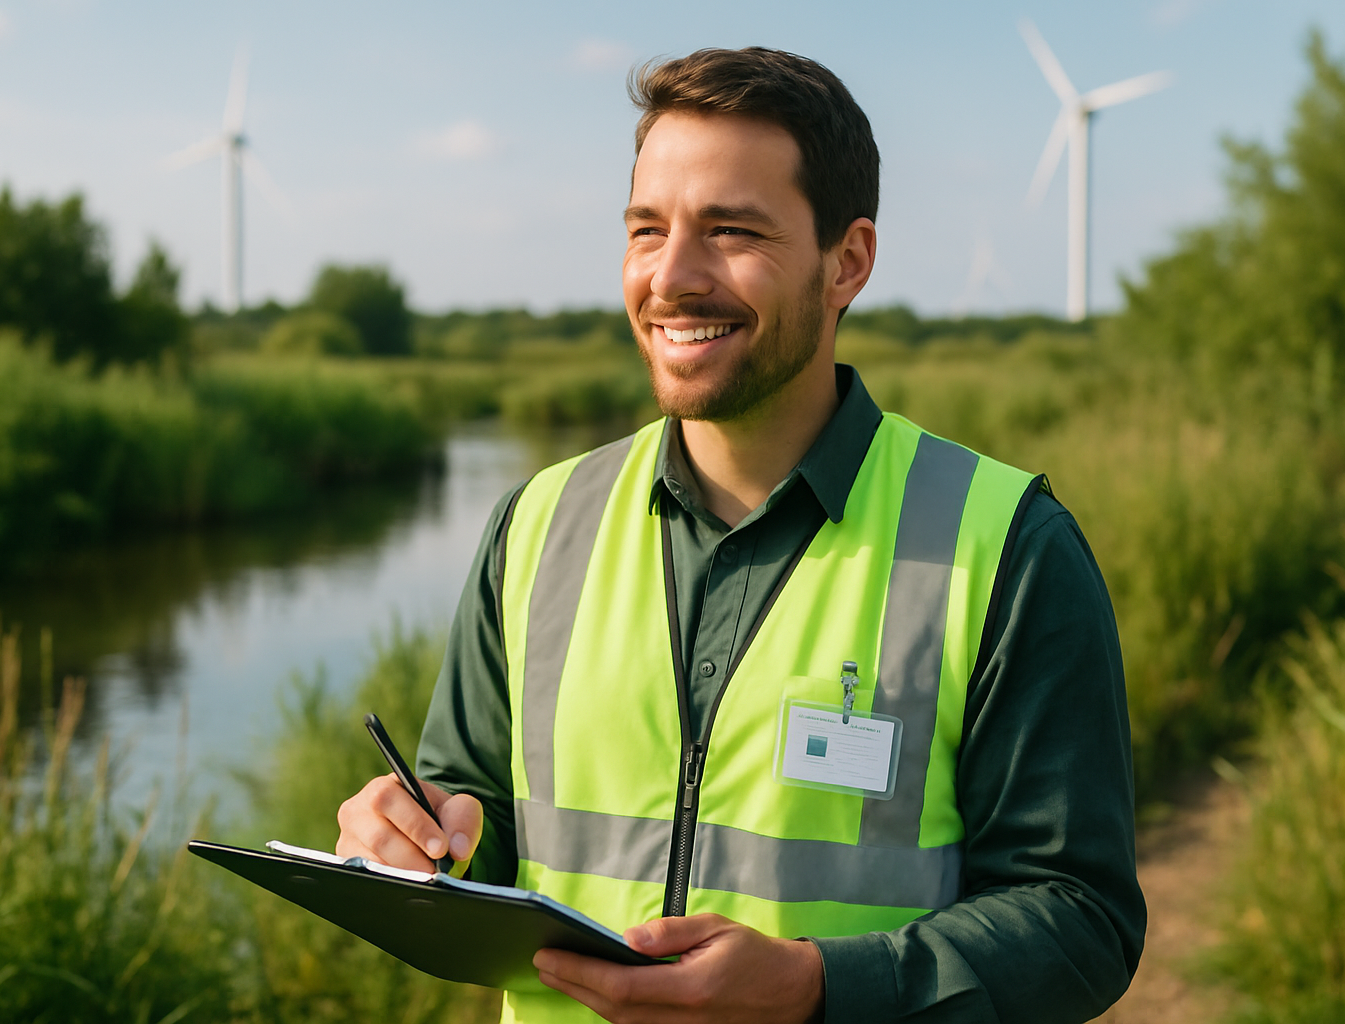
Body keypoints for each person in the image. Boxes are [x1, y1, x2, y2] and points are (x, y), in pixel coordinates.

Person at [337, 47, 1145, 1024]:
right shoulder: (535, 526)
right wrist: (432, 839)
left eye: (730, 231)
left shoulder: (1007, 545)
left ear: (847, 261)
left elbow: (1080, 917)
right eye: (647, 229)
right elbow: (481, 818)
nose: (672, 277)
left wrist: (818, 987)